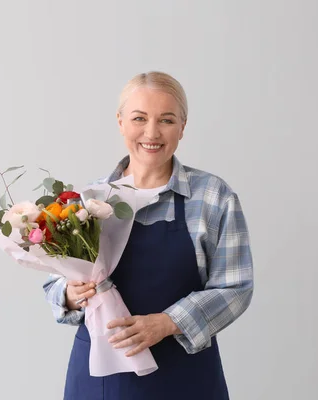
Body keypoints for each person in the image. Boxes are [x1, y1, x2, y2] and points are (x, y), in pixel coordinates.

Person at [43, 71, 254, 400]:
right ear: (121, 122)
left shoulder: (214, 197)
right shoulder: (87, 201)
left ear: (183, 126)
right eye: (139, 118)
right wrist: (71, 293)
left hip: (185, 379)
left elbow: (235, 288)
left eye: (166, 120)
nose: (152, 133)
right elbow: (54, 287)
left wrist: (168, 322)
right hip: (101, 383)